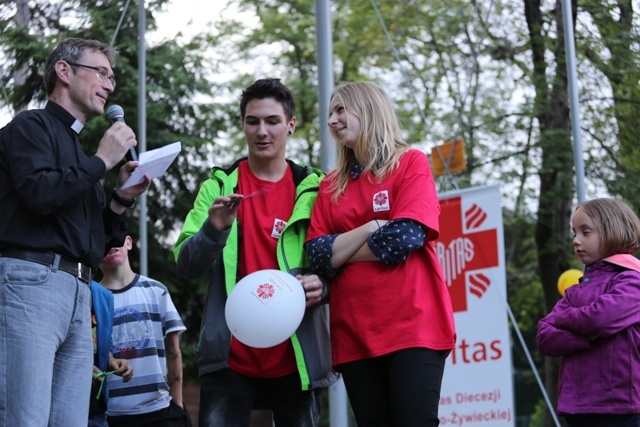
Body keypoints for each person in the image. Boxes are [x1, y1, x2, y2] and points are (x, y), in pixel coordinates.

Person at [0, 37, 150, 426]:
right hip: (32, 283)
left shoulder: (83, 158)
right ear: (64, 72)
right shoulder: (30, 126)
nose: (110, 84)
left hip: (79, 293)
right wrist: (102, 161)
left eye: (112, 77)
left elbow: (94, 245)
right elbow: (39, 193)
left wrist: (119, 198)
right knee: (25, 418)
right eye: (101, 72)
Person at [173, 77, 338, 427]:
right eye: (253, 121)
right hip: (229, 357)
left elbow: (337, 260)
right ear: (243, 125)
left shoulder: (316, 189)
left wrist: (324, 285)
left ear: (290, 125)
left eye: (272, 121)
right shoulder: (217, 186)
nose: (262, 131)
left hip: (295, 357)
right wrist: (213, 229)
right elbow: (187, 264)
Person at [305, 81, 457, 427]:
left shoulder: (410, 163)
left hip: (414, 326)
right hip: (354, 332)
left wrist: (339, 253)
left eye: (341, 109)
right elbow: (316, 255)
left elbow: (403, 239)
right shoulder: (329, 186)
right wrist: (372, 226)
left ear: (368, 109)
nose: (332, 120)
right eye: (330, 113)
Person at [537, 198, 640, 427]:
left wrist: (563, 320)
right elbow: (545, 336)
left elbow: (600, 318)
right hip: (577, 410)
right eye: (574, 233)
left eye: (585, 232)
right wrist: (586, 335)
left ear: (612, 229)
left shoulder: (633, 280)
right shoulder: (575, 291)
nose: (576, 241)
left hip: (620, 408)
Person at [99, 235, 191, 427]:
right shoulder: (91, 298)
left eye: (115, 238)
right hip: (111, 415)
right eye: (102, 239)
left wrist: (178, 404)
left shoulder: (156, 291)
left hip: (160, 412)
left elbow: (174, 352)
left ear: (129, 242)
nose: (111, 244)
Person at [89, 280, 134, 427]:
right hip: (61, 408)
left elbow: (97, 340)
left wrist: (110, 360)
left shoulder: (102, 295)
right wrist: (80, 366)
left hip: (96, 413)